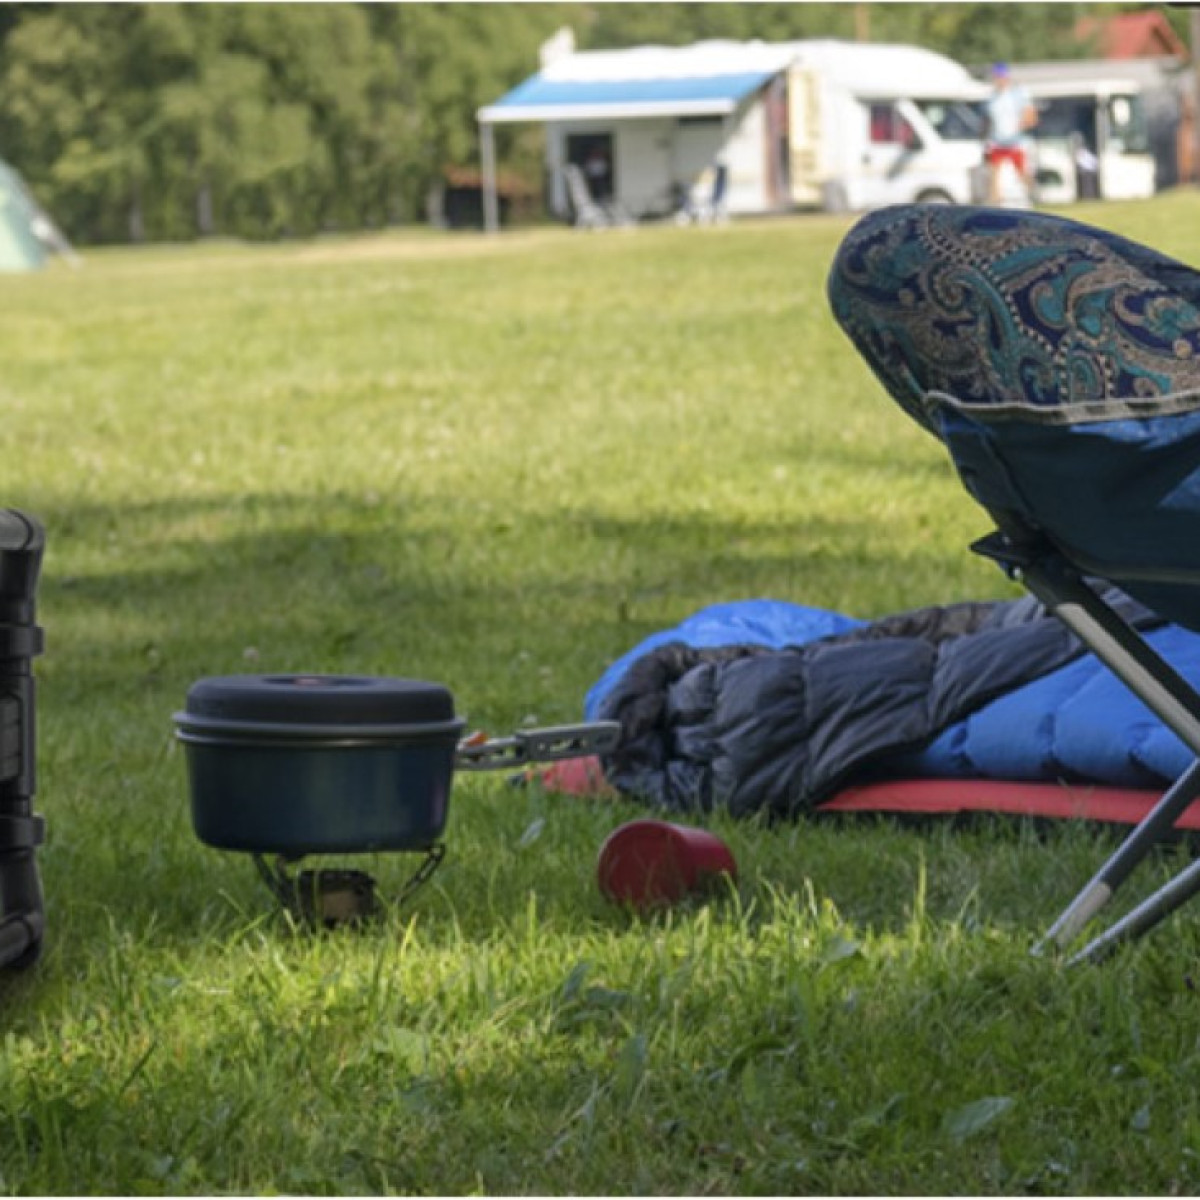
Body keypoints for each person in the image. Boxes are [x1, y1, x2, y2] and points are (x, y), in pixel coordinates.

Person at [983, 62, 1039, 203]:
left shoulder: (1018, 94)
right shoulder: (991, 98)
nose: (999, 80)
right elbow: (987, 120)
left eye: (1001, 77)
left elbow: (1031, 115)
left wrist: (1023, 124)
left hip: (1016, 140)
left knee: (1022, 172)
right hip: (997, 141)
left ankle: (1033, 195)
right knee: (994, 174)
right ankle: (995, 202)